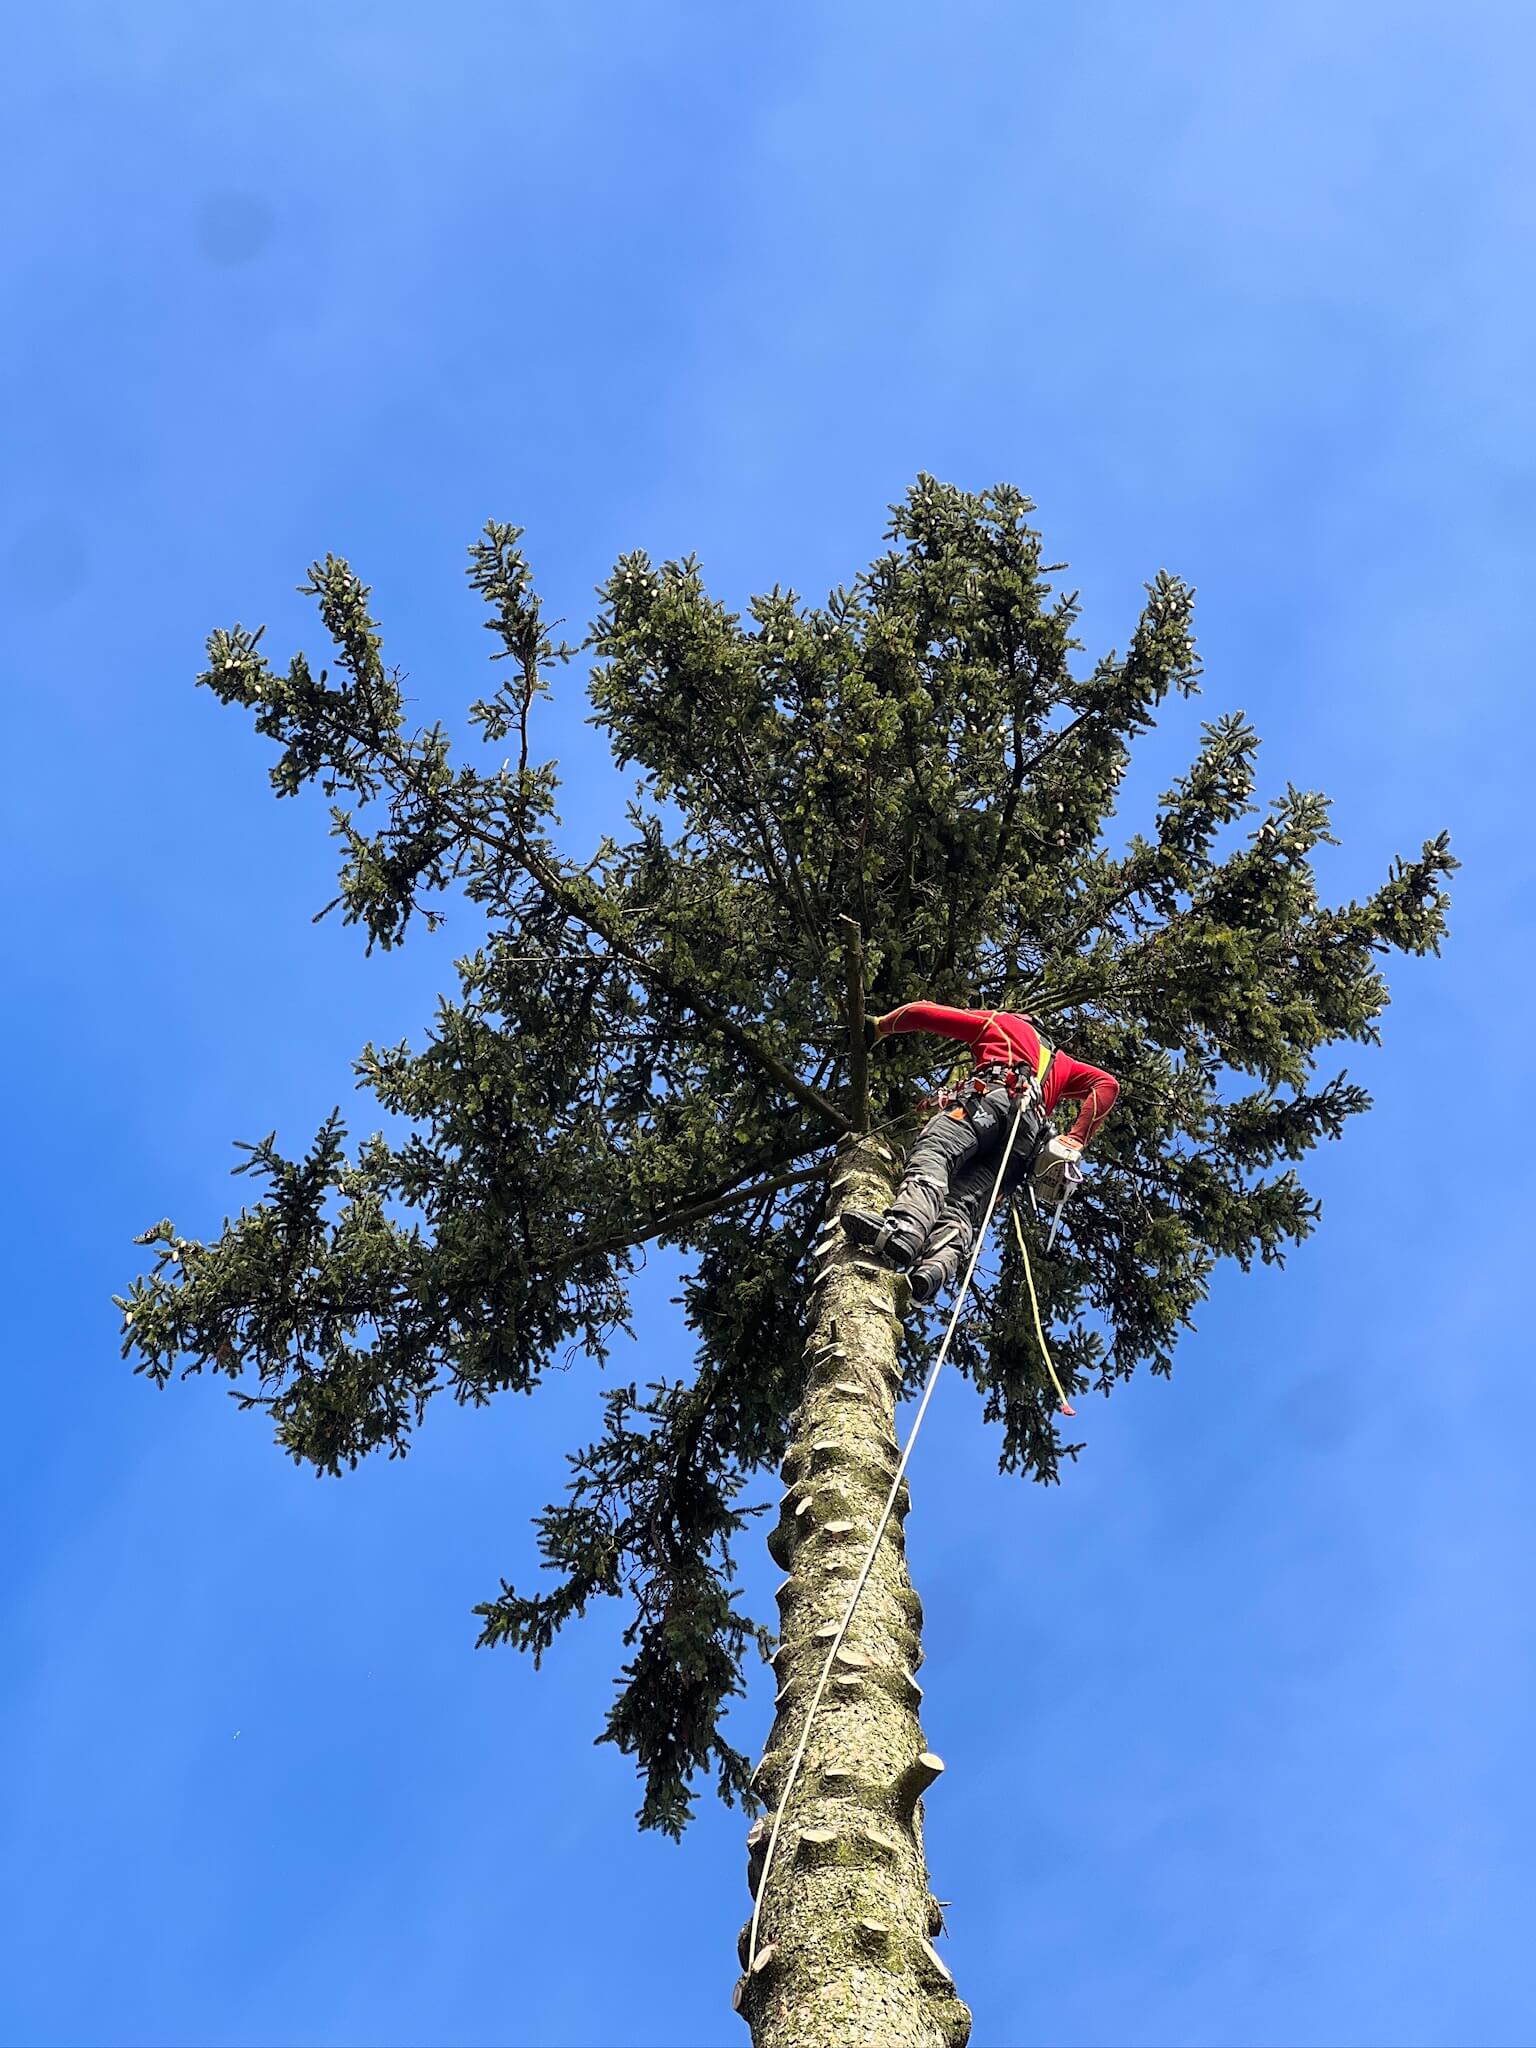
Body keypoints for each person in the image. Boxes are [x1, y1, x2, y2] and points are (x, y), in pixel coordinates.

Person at [841, 1001, 1119, 1303]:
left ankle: (905, 1227)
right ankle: (934, 1268)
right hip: (1023, 1144)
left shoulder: (1000, 1023)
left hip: (988, 1100)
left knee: (936, 1152)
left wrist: (879, 1025)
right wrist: (1076, 1138)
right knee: (962, 1205)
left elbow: (922, 1012)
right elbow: (1107, 1085)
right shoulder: (1061, 1064)